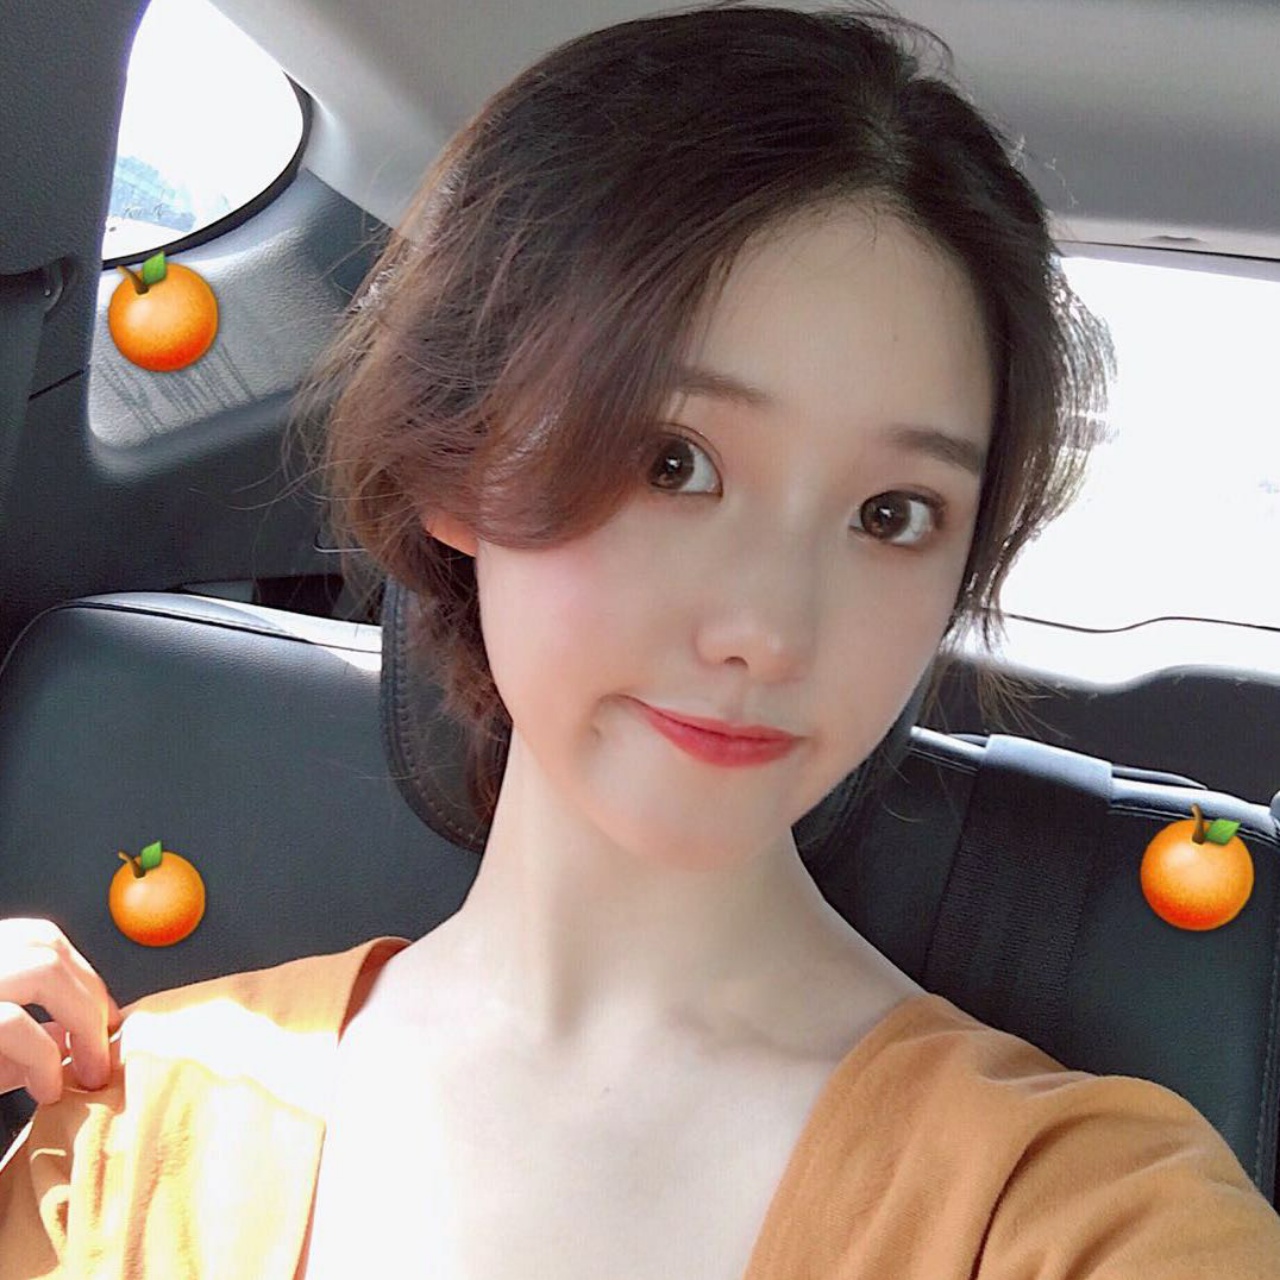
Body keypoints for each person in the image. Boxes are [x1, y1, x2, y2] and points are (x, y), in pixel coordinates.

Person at [3, 4, 1280, 1276]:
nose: (769, 630)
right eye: (672, 461)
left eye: (891, 514)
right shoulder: (129, 1125)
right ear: (460, 459)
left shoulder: (1079, 1215)